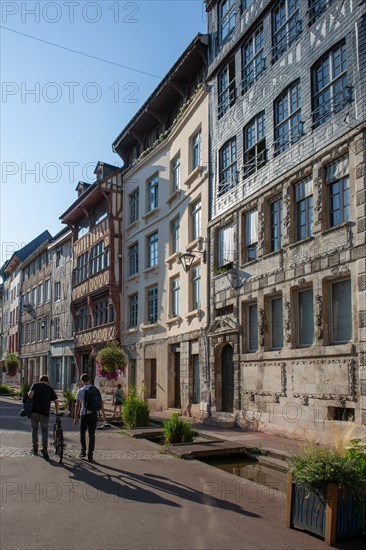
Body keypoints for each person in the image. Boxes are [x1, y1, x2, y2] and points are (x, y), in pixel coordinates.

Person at [74, 373, 106, 462]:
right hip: (93, 414)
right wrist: (103, 415)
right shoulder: (95, 389)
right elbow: (100, 402)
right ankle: (90, 455)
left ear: (81, 381)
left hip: (84, 414)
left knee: (82, 433)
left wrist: (75, 417)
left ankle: (83, 451)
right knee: (92, 435)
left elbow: (77, 405)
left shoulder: (81, 390)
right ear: (89, 380)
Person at [28, 375, 59, 460]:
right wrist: (57, 412)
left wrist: (29, 394)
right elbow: (56, 402)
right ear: (47, 381)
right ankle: (44, 448)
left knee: (34, 430)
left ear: (40, 380)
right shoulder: (50, 389)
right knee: (44, 431)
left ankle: (35, 448)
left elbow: (30, 396)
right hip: (45, 413)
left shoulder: (35, 385)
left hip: (34, 412)